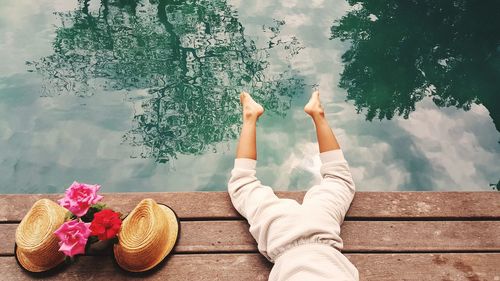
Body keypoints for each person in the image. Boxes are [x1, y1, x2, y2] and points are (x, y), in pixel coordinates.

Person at [227, 91, 359, 281]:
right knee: (242, 183)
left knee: (339, 179)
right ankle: (250, 116)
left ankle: (317, 114)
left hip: (318, 230)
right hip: (285, 236)